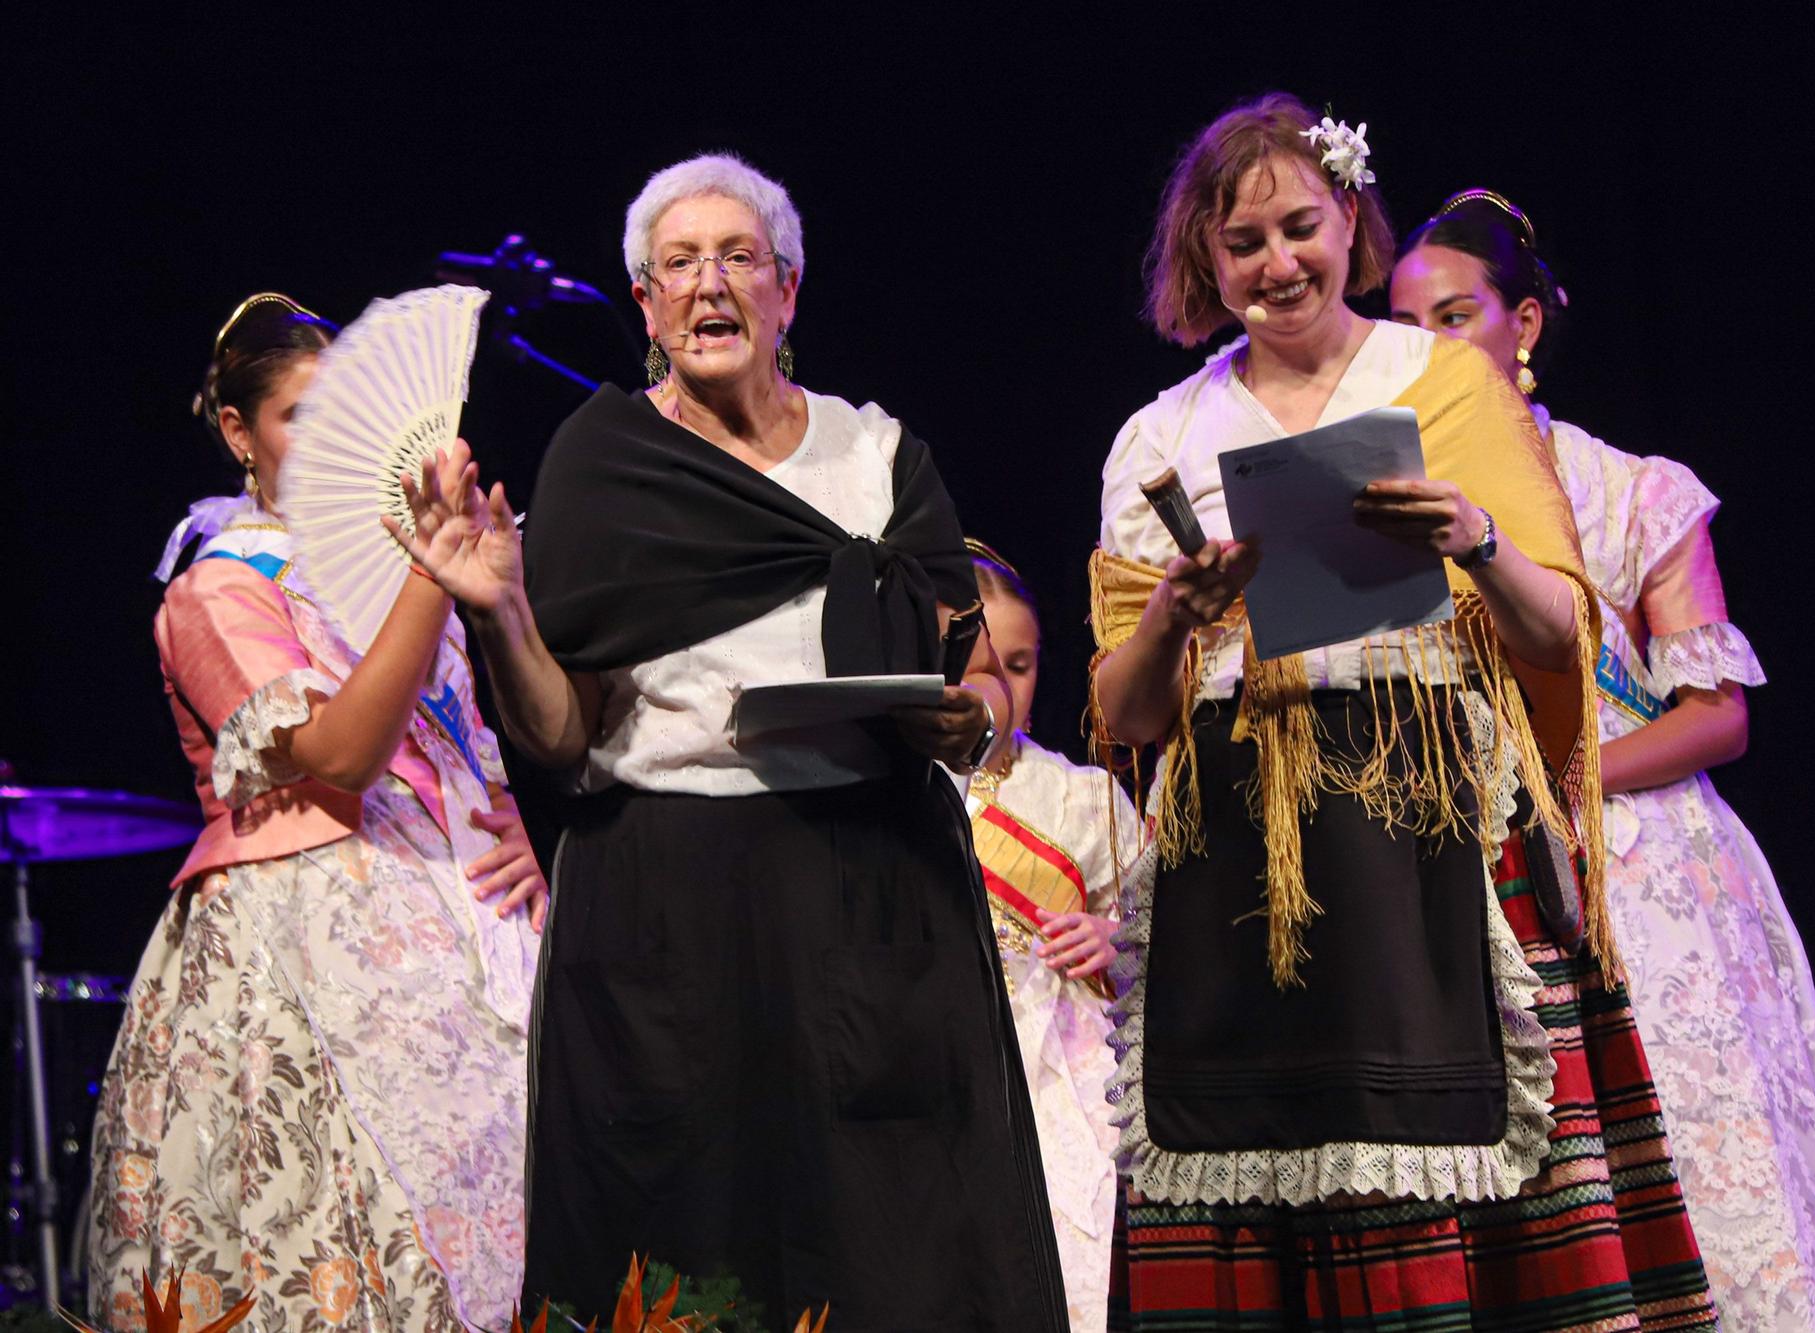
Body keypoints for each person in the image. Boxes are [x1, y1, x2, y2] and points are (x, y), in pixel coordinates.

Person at [396, 154, 1069, 1328]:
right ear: (647, 307)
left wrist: (969, 719)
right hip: (666, 902)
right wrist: (496, 609)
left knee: (893, 1242)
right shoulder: (601, 465)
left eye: (738, 257)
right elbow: (561, 734)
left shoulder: (875, 455)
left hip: (868, 884)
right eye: (678, 264)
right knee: (686, 1239)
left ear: (787, 291)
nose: (710, 282)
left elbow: (974, 681)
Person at [1092, 93, 1720, 1330]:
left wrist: (1471, 537)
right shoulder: (1160, 435)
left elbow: (1555, 633)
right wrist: (1174, 611)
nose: (1277, 263)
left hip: (1430, 815)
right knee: (1261, 1183)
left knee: (1469, 1192)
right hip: (1239, 856)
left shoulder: (1439, 384)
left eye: (1298, 227)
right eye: (1242, 244)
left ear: (1349, 222)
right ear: (1202, 264)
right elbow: (1129, 713)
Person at [1390, 189, 1815, 1331]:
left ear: (1521, 325)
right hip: (1471, 858)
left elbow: (1715, 714)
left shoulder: (1628, 488)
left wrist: (1573, 783)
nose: (1424, 347)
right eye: (1401, 325)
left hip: (1639, 858)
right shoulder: (1389, 509)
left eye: (1453, 316)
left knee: (1696, 1133)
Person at [87, 294, 545, 1331]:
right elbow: (339, 754)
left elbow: (479, 754)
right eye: (300, 416)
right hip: (300, 967)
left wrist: (530, 833)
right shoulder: (217, 589)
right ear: (239, 433)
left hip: (471, 951)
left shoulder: (418, 571)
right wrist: (431, 585)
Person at [963, 540, 1139, 1333]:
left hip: (1065, 1101)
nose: (1000, 687)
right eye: (975, 662)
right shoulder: (887, 796)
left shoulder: (1085, 798)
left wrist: (1119, 940)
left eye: (1021, 663)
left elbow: (1168, 951)